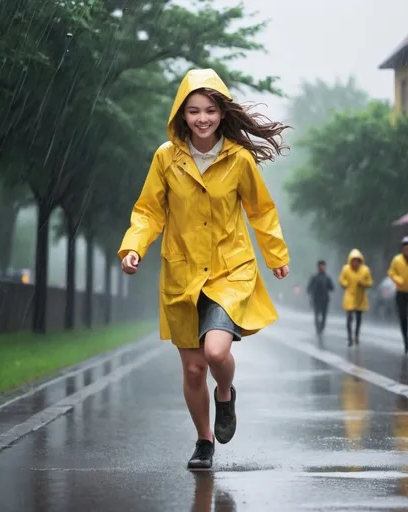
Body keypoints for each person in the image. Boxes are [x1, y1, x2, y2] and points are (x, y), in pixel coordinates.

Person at [118, 69, 290, 471]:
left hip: (230, 270)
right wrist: (133, 248)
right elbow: (147, 211)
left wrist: (275, 255)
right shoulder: (166, 158)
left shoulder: (239, 158)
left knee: (215, 352)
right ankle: (203, 440)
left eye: (210, 110)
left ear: (221, 113)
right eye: (193, 110)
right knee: (194, 369)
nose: (202, 118)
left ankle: (226, 394)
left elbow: (260, 210)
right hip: (182, 273)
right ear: (181, 114)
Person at [338, 249, 373, 346]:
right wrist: (345, 284)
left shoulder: (365, 270)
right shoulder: (346, 269)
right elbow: (341, 280)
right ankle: (349, 337)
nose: (355, 262)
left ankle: (356, 335)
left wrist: (364, 284)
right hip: (349, 295)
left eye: (357, 260)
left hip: (360, 297)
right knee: (349, 317)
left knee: (359, 317)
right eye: (353, 260)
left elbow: (370, 282)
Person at [307, 260, 334, 334]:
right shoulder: (314, 277)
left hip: (325, 300)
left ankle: (321, 328)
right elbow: (309, 288)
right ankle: (318, 328)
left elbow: (332, 287)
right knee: (316, 315)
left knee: (324, 316)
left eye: (323, 266)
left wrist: (329, 290)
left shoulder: (327, 278)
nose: (322, 267)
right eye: (320, 266)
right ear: (318, 267)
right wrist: (311, 293)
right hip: (316, 299)